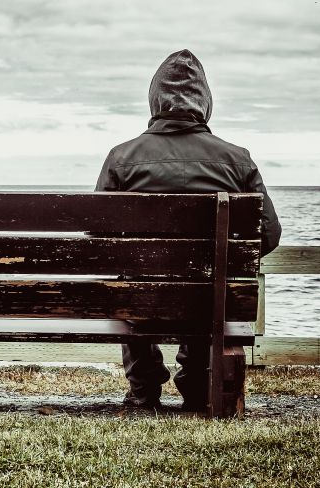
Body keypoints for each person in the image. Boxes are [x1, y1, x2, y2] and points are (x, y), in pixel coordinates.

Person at [94, 49, 281, 410]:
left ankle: (144, 388)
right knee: (208, 290)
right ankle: (195, 385)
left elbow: (98, 237)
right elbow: (268, 235)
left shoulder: (121, 158)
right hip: (209, 299)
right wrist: (222, 261)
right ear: (205, 102)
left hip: (142, 299)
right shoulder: (238, 160)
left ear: (155, 100)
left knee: (130, 289)